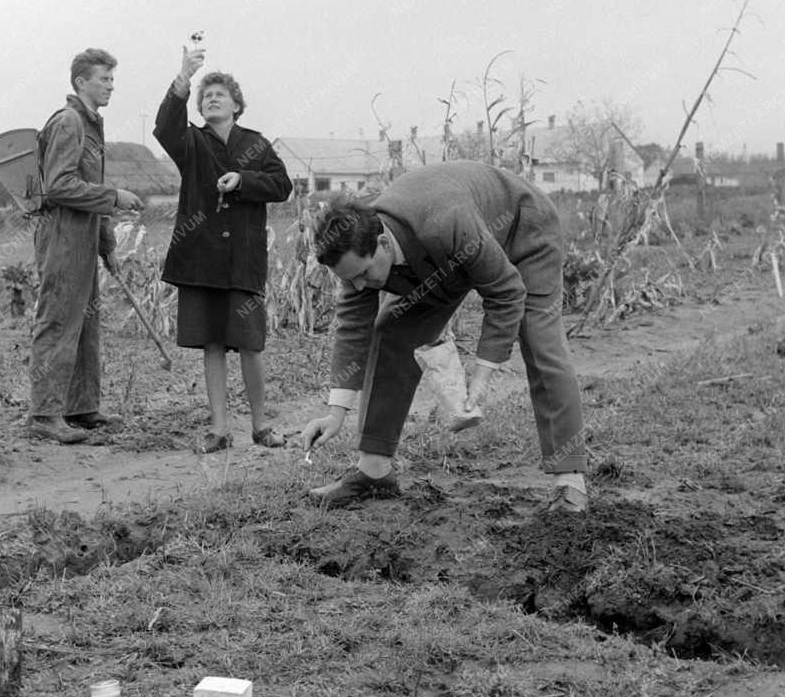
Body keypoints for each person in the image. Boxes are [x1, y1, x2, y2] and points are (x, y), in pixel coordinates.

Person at [302, 161, 588, 511]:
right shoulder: (356, 251)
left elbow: (507, 292)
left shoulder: (444, 221)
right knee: (391, 330)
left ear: (382, 243)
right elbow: (352, 327)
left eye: (362, 274)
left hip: (522, 227)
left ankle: (570, 479)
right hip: (443, 257)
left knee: (540, 339)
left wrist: (481, 376)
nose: (360, 286)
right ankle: (374, 471)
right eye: (351, 280)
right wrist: (336, 413)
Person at [153, 43, 293, 452]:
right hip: (199, 261)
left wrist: (243, 180)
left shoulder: (256, 144)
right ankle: (219, 429)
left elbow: (282, 186)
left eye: (220, 94)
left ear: (236, 104)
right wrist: (184, 77)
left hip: (243, 262)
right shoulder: (190, 143)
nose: (211, 98)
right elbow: (164, 126)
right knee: (212, 344)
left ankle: (261, 425)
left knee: (249, 343)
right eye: (205, 95)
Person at [27, 48, 142, 443]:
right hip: (61, 234)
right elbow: (59, 185)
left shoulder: (91, 125)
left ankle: (80, 407)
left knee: (86, 321)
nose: (111, 85)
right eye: (103, 79)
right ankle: (44, 414)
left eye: (112, 79)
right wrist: (115, 196)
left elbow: (89, 186)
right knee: (58, 320)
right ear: (81, 82)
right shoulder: (69, 122)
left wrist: (107, 240)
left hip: (85, 235)